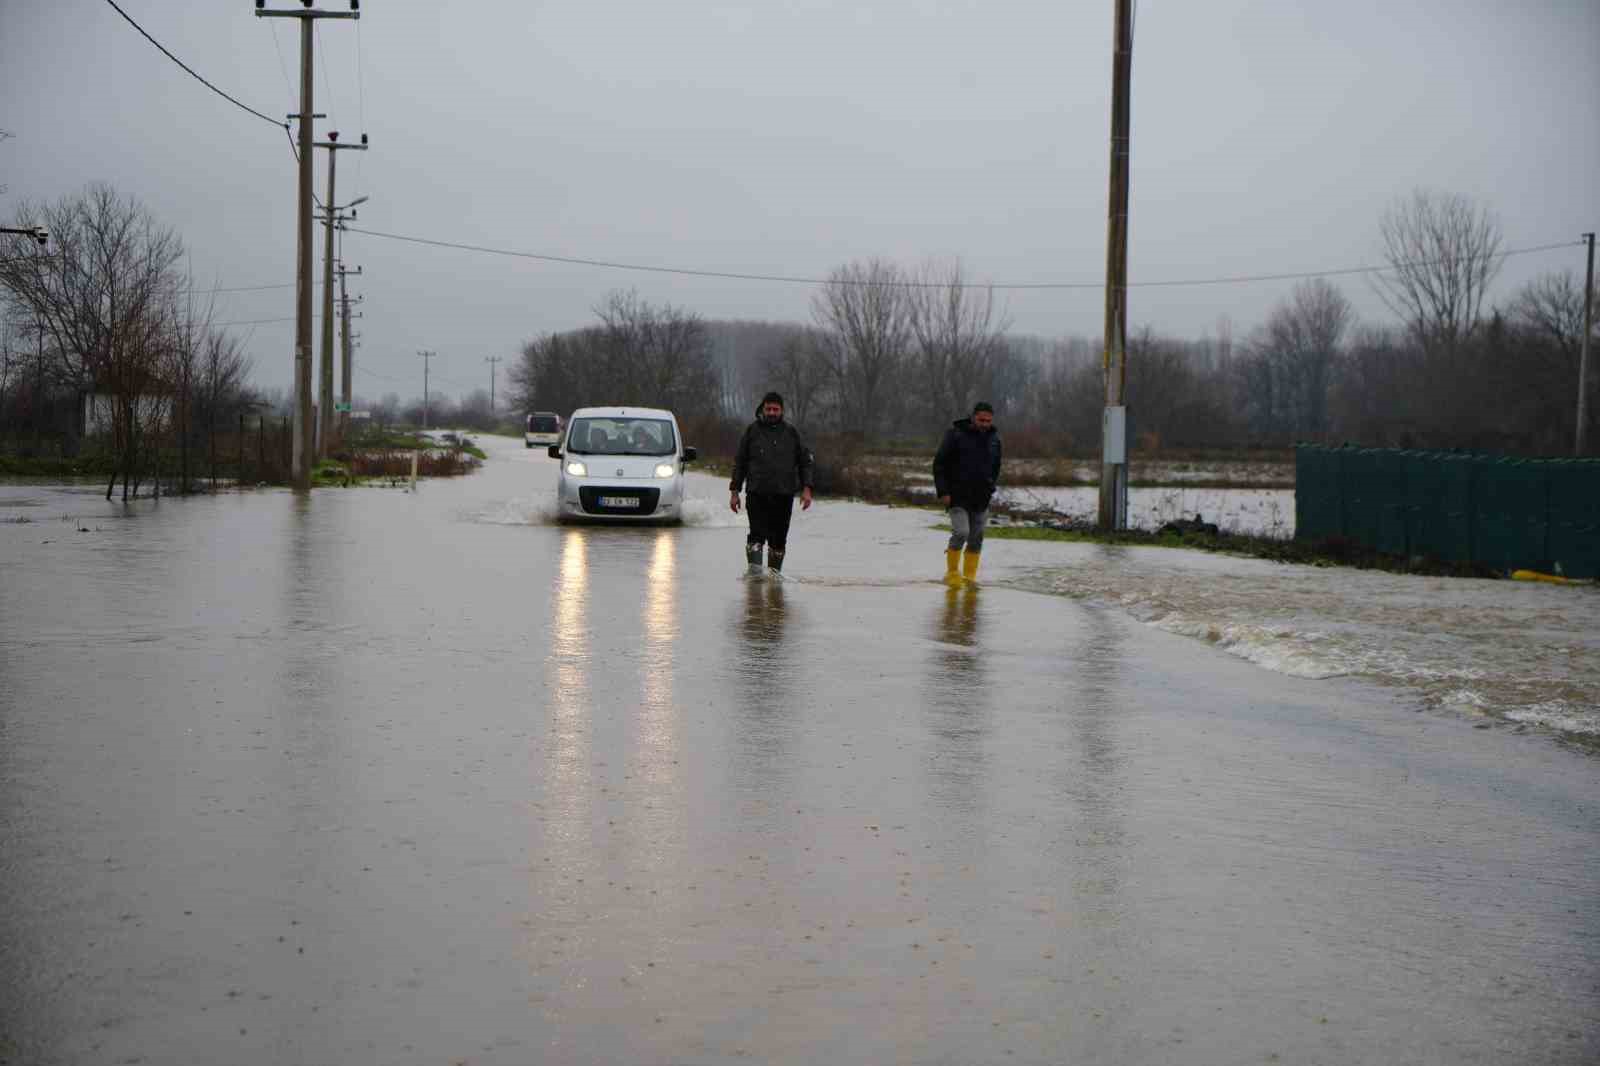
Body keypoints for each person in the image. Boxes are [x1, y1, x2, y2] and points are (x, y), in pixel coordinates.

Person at [730, 392, 814, 575]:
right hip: (757, 493)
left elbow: (805, 462)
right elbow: (740, 462)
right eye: (768, 409)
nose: (771, 412)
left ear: (782, 411)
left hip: (783, 495)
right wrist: (734, 491)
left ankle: (774, 582)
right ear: (763, 409)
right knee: (756, 535)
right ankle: (755, 579)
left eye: (775, 409)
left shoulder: (791, 433)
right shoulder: (752, 431)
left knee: (779, 539)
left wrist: (806, 489)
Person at [932, 401, 1002, 585]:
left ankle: (970, 577)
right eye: (981, 420)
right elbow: (939, 465)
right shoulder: (955, 435)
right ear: (973, 417)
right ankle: (952, 573)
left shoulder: (995, 440)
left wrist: (991, 487)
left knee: (976, 538)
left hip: (981, 497)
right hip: (956, 496)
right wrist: (943, 492)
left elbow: (996, 467)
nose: (985, 424)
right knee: (962, 532)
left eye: (988, 421)